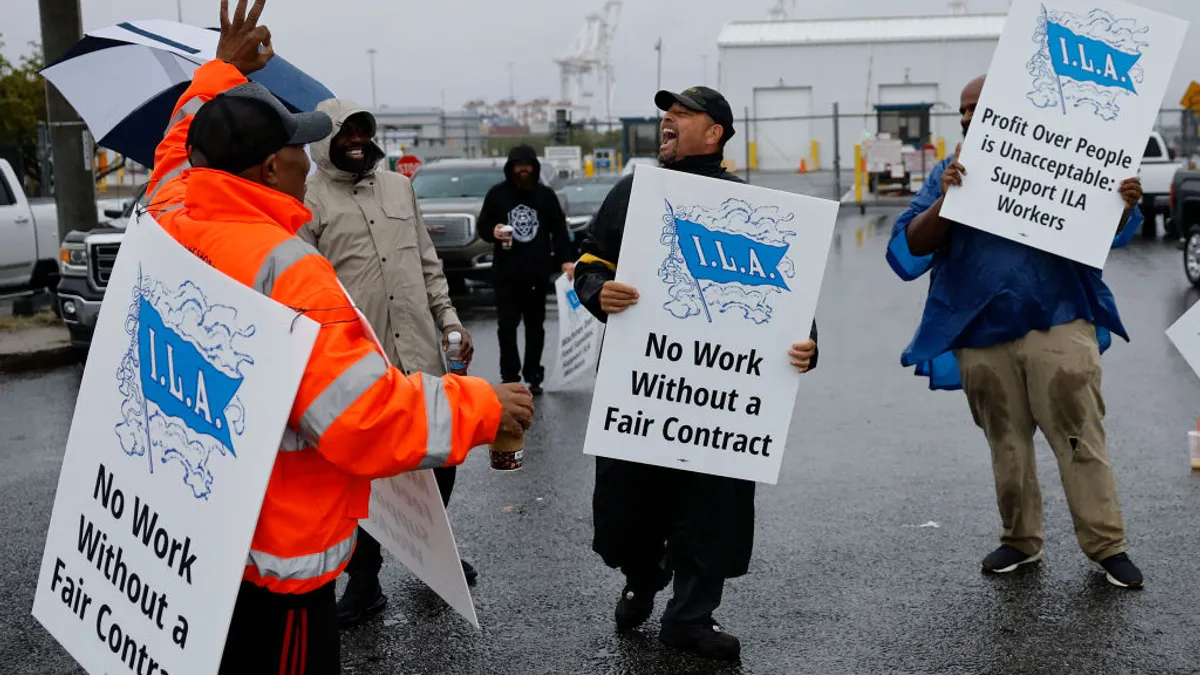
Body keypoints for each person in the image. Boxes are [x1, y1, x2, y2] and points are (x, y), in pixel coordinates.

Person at [143, 1, 534, 672]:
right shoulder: (288, 268)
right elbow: (363, 419)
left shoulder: (170, 218)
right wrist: (486, 405)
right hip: (275, 570)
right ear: (270, 169)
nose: (308, 155)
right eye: (295, 144)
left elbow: (177, 153)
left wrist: (217, 74)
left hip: (196, 534)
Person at [572, 86, 820, 662]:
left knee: (713, 505)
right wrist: (596, 290)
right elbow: (590, 255)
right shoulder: (636, 191)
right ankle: (642, 577)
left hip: (720, 403)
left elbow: (793, 305)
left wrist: (809, 347)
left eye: (683, 114)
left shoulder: (756, 209)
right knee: (631, 503)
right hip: (644, 389)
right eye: (666, 113)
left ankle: (690, 617)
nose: (668, 120)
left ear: (715, 133)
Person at [885, 75, 1145, 589]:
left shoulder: (1063, 159)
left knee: (1078, 435)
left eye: (976, 107)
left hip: (1058, 318)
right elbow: (909, 245)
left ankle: (1106, 546)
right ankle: (1020, 539)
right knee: (1006, 442)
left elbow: (1106, 232)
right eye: (961, 111)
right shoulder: (948, 172)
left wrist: (1125, 203)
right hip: (980, 330)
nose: (965, 117)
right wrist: (946, 200)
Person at [298, 99, 480, 629]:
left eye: (363, 130)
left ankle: (432, 556)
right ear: (323, 142)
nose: (356, 139)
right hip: (358, 362)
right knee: (364, 475)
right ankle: (366, 579)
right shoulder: (306, 203)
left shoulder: (400, 188)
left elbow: (428, 264)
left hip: (421, 354)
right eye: (344, 132)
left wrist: (450, 322)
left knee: (440, 455)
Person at [477, 144, 574, 395]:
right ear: (511, 168)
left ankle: (534, 374)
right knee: (506, 327)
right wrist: (493, 232)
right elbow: (483, 226)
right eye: (519, 165)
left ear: (534, 167)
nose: (523, 170)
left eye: (527, 165)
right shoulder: (496, 195)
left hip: (536, 274)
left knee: (535, 327)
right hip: (506, 275)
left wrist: (566, 260)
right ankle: (509, 375)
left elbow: (559, 231)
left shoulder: (546, 196)